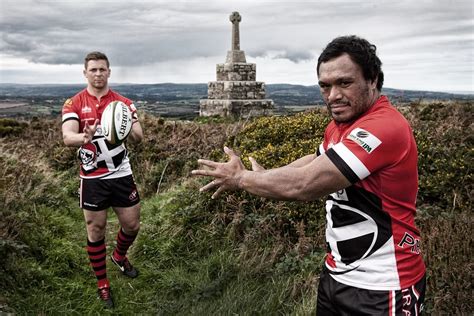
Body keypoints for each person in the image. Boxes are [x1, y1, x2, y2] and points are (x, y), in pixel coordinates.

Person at [192, 35, 426, 315]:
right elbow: (317, 162)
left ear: (373, 79)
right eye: (325, 86)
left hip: (384, 285)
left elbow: (307, 184)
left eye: (344, 83)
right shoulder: (342, 124)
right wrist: (269, 175)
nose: (333, 96)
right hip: (337, 275)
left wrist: (243, 179)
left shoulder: (384, 127)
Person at [61, 51, 143, 309]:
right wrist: (84, 138)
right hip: (93, 178)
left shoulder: (123, 103)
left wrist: (125, 127)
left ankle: (119, 256)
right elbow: (67, 136)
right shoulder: (73, 103)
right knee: (95, 231)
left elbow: (139, 137)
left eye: (102, 69)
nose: (98, 74)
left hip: (121, 174)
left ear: (109, 72)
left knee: (132, 225)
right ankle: (103, 284)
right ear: (85, 73)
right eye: (93, 70)